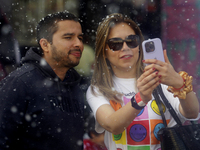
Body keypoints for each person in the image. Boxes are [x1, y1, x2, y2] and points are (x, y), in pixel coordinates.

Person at [86, 13, 200, 150]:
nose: (125, 47)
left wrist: (179, 83)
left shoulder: (161, 78)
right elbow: (113, 125)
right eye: (115, 44)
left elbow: (192, 113)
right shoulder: (98, 89)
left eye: (131, 41)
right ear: (104, 51)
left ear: (139, 45)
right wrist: (141, 98)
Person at [0, 11, 84, 150]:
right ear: (45, 45)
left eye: (80, 37)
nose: (78, 44)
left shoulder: (76, 85)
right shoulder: (19, 82)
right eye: (68, 37)